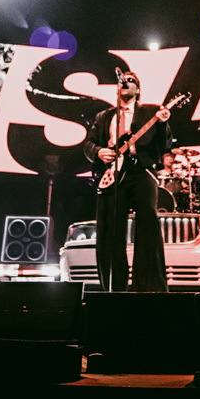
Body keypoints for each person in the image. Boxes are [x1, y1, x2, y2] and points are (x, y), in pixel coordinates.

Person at [83, 71, 171, 292]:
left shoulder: (151, 111)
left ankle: (150, 287)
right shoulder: (104, 116)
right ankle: (113, 287)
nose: (125, 83)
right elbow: (89, 145)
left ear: (138, 90)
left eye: (131, 81)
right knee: (110, 228)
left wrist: (162, 124)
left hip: (141, 170)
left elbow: (164, 144)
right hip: (113, 173)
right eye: (123, 81)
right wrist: (98, 152)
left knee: (148, 224)